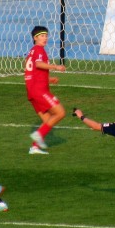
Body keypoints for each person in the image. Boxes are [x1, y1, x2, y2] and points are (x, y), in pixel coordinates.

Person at [25, 25, 68, 155]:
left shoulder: (31, 52)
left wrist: (49, 79)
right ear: (35, 38)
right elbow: (38, 64)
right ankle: (37, 135)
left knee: (47, 120)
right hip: (39, 91)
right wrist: (56, 66)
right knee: (60, 113)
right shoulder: (39, 50)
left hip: (32, 91)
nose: (45, 38)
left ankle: (35, 147)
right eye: (42, 36)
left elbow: (32, 71)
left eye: (46, 36)